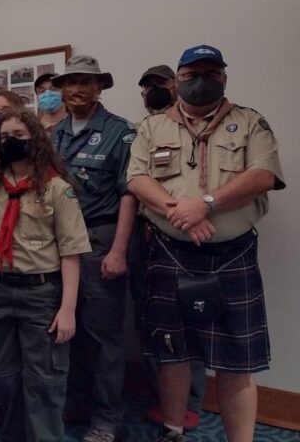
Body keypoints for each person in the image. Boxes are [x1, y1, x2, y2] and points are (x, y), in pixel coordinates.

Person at [127, 44, 285, 442]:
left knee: (236, 361)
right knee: (172, 353)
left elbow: (263, 175)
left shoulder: (250, 122)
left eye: (210, 73)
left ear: (224, 78)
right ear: (178, 79)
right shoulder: (152, 127)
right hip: (169, 250)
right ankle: (174, 430)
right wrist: (179, 210)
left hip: (232, 255)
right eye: (191, 74)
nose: (200, 81)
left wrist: (206, 205)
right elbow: (137, 180)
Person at [0, 108, 89, 442]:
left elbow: (71, 253)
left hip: (41, 294)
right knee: (5, 377)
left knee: (44, 381)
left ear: (34, 141)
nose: (11, 142)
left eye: (19, 137)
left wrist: (67, 310)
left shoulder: (56, 189)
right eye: (5, 137)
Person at [50, 55, 137, 442]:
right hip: (58, 245)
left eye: (86, 81)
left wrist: (119, 250)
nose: (78, 89)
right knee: (69, 333)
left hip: (100, 240)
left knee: (104, 337)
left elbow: (129, 195)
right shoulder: (53, 134)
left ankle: (105, 419)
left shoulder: (120, 132)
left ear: (100, 87)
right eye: (71, 82)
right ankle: (76, 403)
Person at [131, 65, 205, 429]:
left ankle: (190, 404)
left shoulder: (197, 128)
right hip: (146, 240)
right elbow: (135, 184)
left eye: (159, 84)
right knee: (151, 321)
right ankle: (160, 396)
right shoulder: (141, 132)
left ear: (176, 85)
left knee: (191, 322)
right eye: (146, 87)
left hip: (188, 238)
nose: (152, 91)